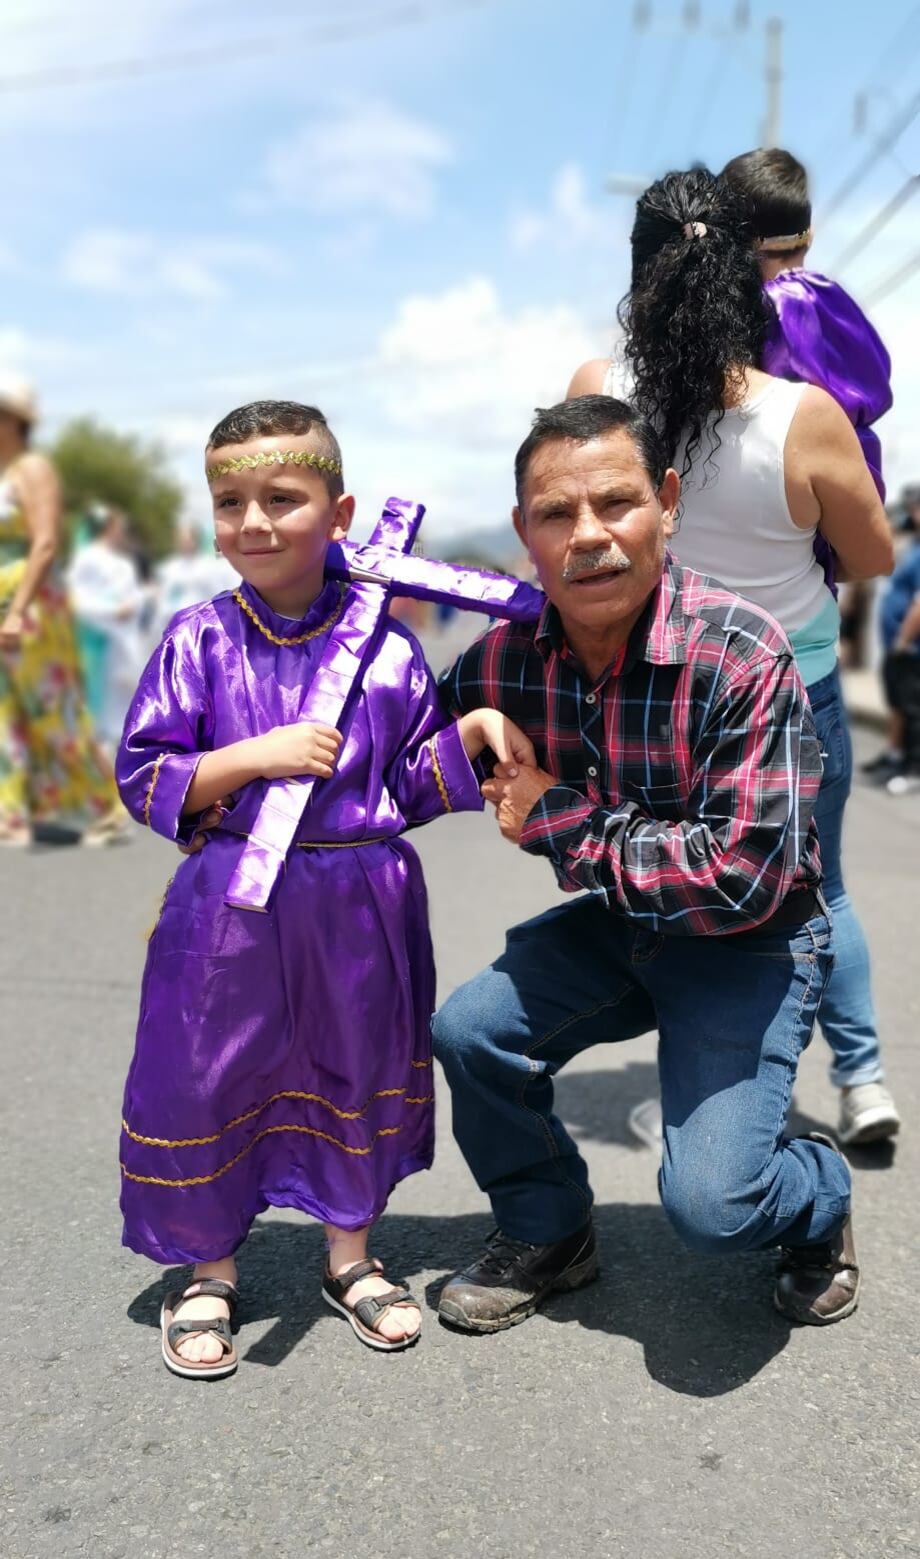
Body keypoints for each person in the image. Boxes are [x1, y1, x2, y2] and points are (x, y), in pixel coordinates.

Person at [115, 399, 534, 1377]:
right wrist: (253, 754)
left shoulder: (386, 650)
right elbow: (146, 774)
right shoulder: (197, 640)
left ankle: (349, 1253)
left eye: (281, 497)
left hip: (358, 898)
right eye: (230, 501)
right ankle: (208, 1268)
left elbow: (400, 787)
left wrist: (464, 737)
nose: (253, 521)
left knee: (355, 1062)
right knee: (208, 1073)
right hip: (228, 904)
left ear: (339, 512)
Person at [432, 395, 857, 1334]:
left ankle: (818, 1187)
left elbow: (742, 871)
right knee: (471, 1032)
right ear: (523, 532)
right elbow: (391, 745)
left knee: (715, 1207)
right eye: (556, 513)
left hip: (753, 940)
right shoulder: (503, 659)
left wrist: (560, 819)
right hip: (627, 927)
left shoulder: (740, 649)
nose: (589, 536)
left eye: (616, 503)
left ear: (667, 502)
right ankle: (550, 1231)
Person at [568, 168, 899, 1149]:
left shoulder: (599, 397)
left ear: (637, 276)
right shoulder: (803, 415)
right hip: (796, 684)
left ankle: (717, 1098)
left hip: (668, 699)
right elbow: (874, 552)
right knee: (818, 886)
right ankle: (862, 1078)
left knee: (685, 894)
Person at [721, 147, 891, 503]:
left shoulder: (753, 308)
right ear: (808, 234)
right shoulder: (829, 299)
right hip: (855, 477)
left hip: (777, 487)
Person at [0, 375, 126, 846]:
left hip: (29, 600)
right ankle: (10, 815)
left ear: (14, 420)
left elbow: (46, 542)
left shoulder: (34, 470)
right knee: (3, 711)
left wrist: (18, 609)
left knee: (52, 708)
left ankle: (105, 809)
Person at [68, 505, 149, 751]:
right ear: (109, 528)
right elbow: (75, 598)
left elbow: (133, 595)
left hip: (123, 641)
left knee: (123, 705)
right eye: (120, 528)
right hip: (96, 639)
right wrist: (112, 612)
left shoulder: (124, 563)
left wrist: (137, 602)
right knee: (97, 710)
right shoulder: (87, 557)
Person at [876, 513, 920, 797]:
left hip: (910, 650)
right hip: (898, 647)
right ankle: (897, 758)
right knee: (899, 706)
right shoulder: (913, 545)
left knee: (913, 710)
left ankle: (914, 771)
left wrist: (903, 640)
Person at [152, 522, 239, 642]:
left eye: (187, 540)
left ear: (195, 541)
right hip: (172, 624)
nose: (184, 544)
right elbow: (163, 595)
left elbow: (218, 594)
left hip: (197, 625)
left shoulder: (207, 566)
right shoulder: (170, 567)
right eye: (181, 540)